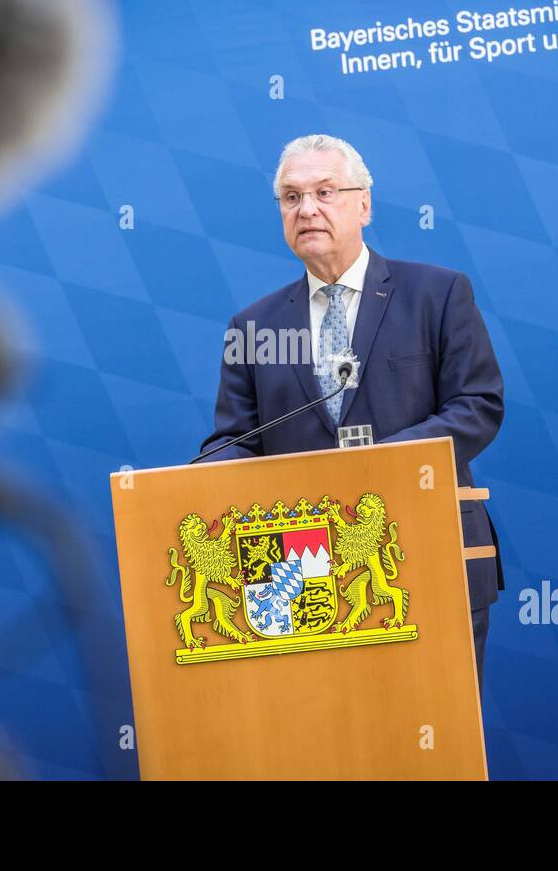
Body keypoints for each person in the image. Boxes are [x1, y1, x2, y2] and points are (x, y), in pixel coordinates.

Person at [199, 133, 505, 678]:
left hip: (419, 542)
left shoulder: (437, 294)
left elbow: (476, 405)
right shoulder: (253, 326)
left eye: (325, 191)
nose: (307, 209)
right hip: (294, 570)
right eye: (291, 198)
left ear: (364, 203)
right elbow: (234, 440)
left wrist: (378, 465)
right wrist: (195, 480)